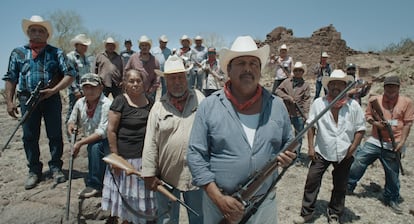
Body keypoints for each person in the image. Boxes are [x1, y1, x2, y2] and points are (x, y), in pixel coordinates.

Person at [187, 35, 296, 224]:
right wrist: (219, 199)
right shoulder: (209, 106)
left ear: (260, 70)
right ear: (228, 69)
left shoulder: (277, 105)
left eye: (254, 63)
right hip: (219, 206)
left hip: (264, 204)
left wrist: (289, 157)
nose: (248, 68)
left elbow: (291, 141)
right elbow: (196, 155)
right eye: (241, 63)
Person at [3, 15, 75, 190]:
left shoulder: (56, 52)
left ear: (47, 34)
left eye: (40, 31)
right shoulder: (18, 52)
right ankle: (34, 171)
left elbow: (70, 74)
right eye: (33, 30)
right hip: (26, 99)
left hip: (51, 99)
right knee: (29, 136)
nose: (36, 33)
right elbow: (11, 78)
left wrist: (53, 90)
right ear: (28, 33)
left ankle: (56, 168)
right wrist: (9, 101)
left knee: (55, 134)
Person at [293, 69, 366, 224]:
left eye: (340, 84)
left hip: (345, 152)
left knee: (340, 185)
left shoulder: (353, 106)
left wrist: (352, 149)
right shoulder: (319, 104)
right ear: (328, 86)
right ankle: (306, 212)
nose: (336, 87)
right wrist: (311, 148)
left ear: (345, 86)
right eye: (333, 84)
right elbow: (311, 126)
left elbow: (360, 129)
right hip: (322, 150)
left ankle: (334, 213)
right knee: (312, 180)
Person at [142, 55, 205, 224]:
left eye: (180, 77)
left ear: (187, 77)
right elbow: (150, 142)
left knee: (200, 217)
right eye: (172, 78)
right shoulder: (157, 107)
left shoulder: (201, 99)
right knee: (167, 220)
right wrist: (148, 172)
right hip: (167, 177)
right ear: (165, 81)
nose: (177, 82)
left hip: (197, 176)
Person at [347, 75, 414, 214]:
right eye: (388, 86)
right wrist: (375, 123)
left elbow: (408, 123)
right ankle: (348, 186)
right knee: (358, 162)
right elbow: (368, 116)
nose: (390, 89)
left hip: (393, 143)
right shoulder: (375, 100)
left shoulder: (407, 102)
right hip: (375, 140)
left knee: (392, 174)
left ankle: (391, 198)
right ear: (384, 87)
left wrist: (402, 142)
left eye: (393, 86)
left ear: (398, 88)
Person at [102, 69, 156, 224]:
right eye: (131, 81)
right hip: (125, 160)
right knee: (127, 204)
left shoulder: (150, 101)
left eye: (138, 81)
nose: (135, 84)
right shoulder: (120, 101)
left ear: (143, 83)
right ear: (125, 83)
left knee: (141, 203)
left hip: (145, 160)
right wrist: (115, 158)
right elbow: (111, 130)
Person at [67, 73, 112, 198]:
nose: (90, 91)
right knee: (93, 146)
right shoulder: (80, 103)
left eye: (93, 87)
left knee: (96, 147)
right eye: (86, 88)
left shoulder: (106, 104)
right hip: (90, 139)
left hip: (107, 142)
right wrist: (71, 126)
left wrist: (80, 143)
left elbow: (102, 132)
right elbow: (71, 120)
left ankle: (95, 185)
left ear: (100, 88)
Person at [275, 61, 311, 165]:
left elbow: (306, 100)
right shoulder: (286, 82)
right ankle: (281, 155)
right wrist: (288, 98)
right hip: (286, 113)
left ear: (303, 72)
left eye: (300, 70)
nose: (298, 72)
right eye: (296, 70)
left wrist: (305, 114)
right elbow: (278, 91)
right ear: (293, 71)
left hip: (298, 114)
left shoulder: (306, 85)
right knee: (283, 135)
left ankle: (297, 157)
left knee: (298, 136)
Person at [65, 34, 92, 124]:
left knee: (83, 112)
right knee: (72, 111)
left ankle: (79, 133)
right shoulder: (70, 57)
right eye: (83, 45)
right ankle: (70, 135)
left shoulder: (86, 59)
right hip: (75, 91)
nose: (85, 47)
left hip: (85, 90)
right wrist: (75, 90)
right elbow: (69, 74)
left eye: (86, 46)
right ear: (76, 45)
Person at [125, 35, 160, 100]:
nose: (144, 47)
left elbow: (157, 77)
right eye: (142, 45)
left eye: (146, 45)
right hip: (134, 91)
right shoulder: (133, 58)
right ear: (139, 47)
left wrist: (152, 88)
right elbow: (126, 72)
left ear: (149, 47)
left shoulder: (155, 61)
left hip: (150, 92)